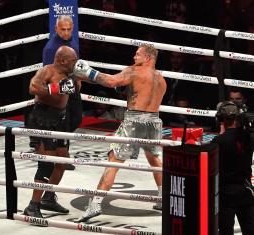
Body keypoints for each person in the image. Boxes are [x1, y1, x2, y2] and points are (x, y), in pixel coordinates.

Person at [73, 44, 167, 222]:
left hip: (134, 121)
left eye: (138, 54)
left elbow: (110, 81)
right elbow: (141, 95)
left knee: (114, 159)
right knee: (153, 157)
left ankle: (95, 204)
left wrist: (88, 72)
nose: (134, 57)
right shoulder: (161, 80)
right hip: (154, 121)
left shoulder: (133, 71)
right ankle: (163, 199)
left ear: (148, 58)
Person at [27, 15, 82, 214]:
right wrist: (53, 89)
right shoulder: (48, 71)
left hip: (60, 118)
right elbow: (33, 87)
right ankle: (32, 205)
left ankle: (48, 197)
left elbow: (81, 83)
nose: (76, 63)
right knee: (46, 164)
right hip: (43, 118)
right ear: (62, 60)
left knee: (62, 161)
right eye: (73, 61)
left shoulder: (71, 73)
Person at [211, 101, 254, 235]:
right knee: (250, 229)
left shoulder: (218, 141)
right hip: (245, 189)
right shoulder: (249, 137)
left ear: (221, 120)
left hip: (225, 192)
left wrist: (221, 134)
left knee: (225, 230)